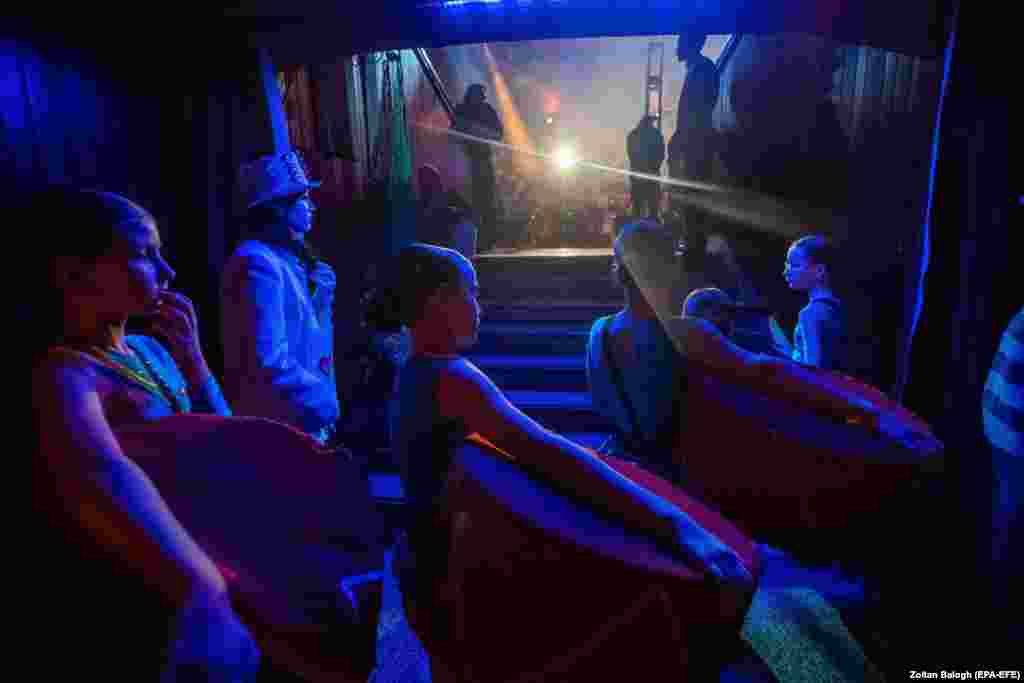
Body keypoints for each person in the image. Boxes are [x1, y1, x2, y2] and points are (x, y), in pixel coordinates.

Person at [363, 243, 753, 603]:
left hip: (426, 559)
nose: (480, 307)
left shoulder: (415, 369)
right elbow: (548, 452)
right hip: (452, 569)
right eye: (473, 292)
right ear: (437, 302)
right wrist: (677, 524)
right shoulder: (451, 377)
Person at [32, 188, 260, 680]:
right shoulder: (68, 374)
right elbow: (103, 471)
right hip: (156, 579)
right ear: (75, 271)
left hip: (215, 548)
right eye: (145, 254)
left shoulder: (150, 350)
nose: (169, 272)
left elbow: (226, 437)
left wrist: (195, 363)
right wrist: (203, 588)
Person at [586, 221, 937, 482]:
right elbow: (769, 373)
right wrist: (869, 410)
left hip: (622, 471)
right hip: (677, 482)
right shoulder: (688, 333)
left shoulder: (597, 334)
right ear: (665, 268)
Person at [221, 148, 340, 445]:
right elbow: (268, 362)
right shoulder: (256, 262)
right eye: (302, 198)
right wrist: (323, 402)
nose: (311, 206)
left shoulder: (284, 260)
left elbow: (310, 346)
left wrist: (320, 303)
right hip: (280, 430)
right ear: (276, 208)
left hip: (303, 425)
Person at [982, 307, 1023, 645]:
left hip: (1001, 428)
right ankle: (1003, 628)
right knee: (1011, 530)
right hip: (1014, 438)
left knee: (1006, 524)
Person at [781, 234, 850, 373]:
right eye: (786, 265)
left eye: (794, 265)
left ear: (819, 271)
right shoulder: (837, 309)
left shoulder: (809, 314)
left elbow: (812, 372)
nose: (785, 272)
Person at [453, 84, 503, 252]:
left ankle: (487, 240)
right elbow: (453, 132)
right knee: (470, 201)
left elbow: (499, 134)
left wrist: (478, 131)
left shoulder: (487, 110)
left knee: (486, 200)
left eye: (482, 96)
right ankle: (472, 240)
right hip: (463, 160)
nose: (481, 99)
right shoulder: (461, 109)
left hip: (482, 159)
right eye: (479, 95)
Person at [416, 164, 477, 258]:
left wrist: (453, 212)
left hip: (446, 247)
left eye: (431, 180)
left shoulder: (450, 196)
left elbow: (470, 214)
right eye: (423, 181)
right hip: (432, 248)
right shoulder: (420, 204)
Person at [626, 115, 666, 219]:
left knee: (637, 207)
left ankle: (638, 228)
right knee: (653, 207)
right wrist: (654, 167)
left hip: (637, 176)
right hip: (651, 176)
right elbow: (661, 154)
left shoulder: (633, 135)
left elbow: (631, 155)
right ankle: (652, 226)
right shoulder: (656, 134)